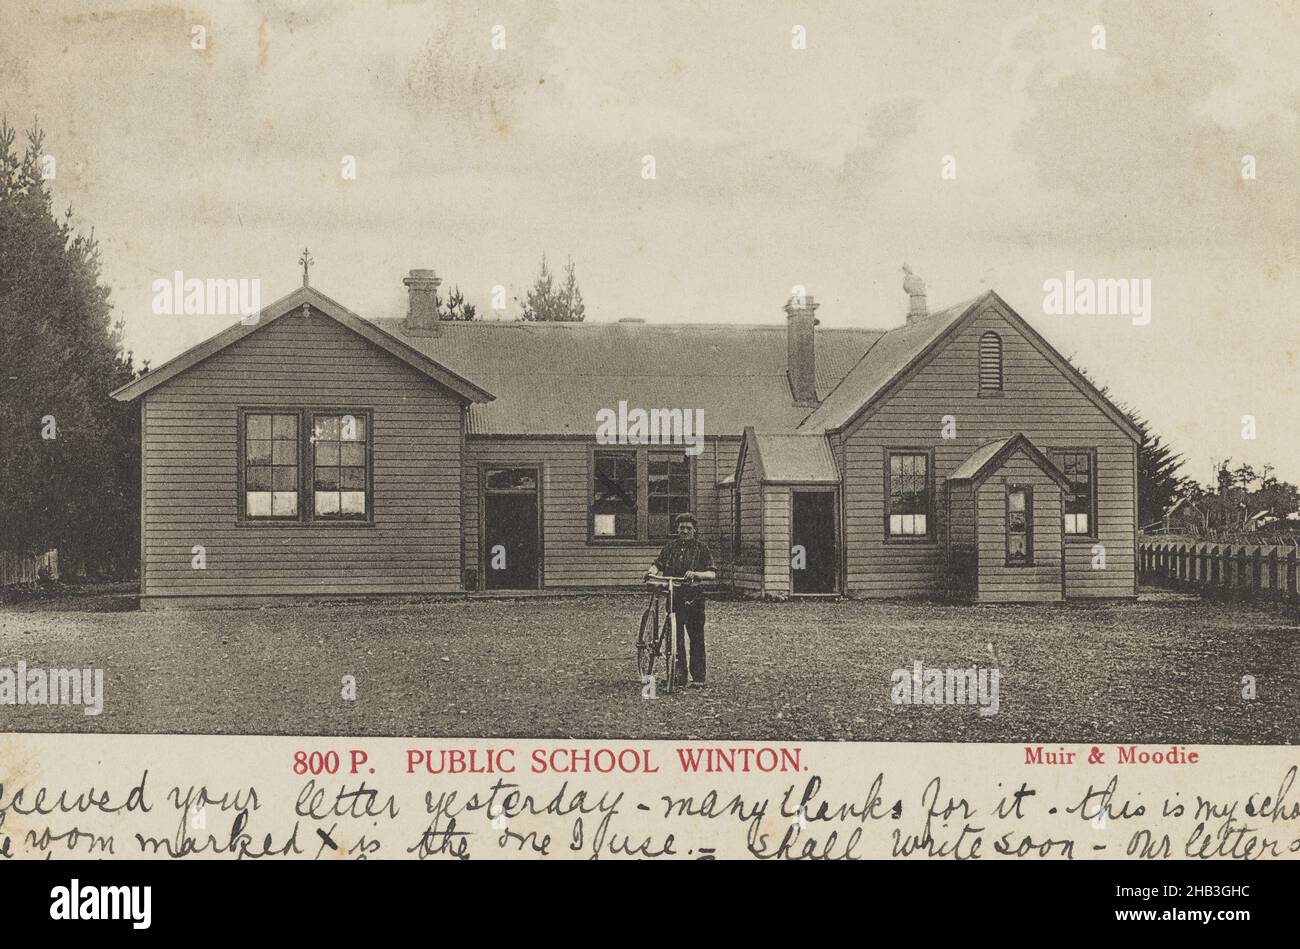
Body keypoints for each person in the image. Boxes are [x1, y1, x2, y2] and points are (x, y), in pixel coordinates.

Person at [648, 512, 716, 688]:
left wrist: (696, 574)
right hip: (675, 596)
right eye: (682, 528)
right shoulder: (670, 548)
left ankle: (699, 677)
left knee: (696, 637)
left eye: (688, 528)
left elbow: (712, 573)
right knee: (675, 638)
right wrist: (652, 572)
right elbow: (658, 564)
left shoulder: (702, 549)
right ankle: (679, 676)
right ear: (677, 529)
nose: (685, 531)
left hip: (694, 598)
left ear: (695, 530)